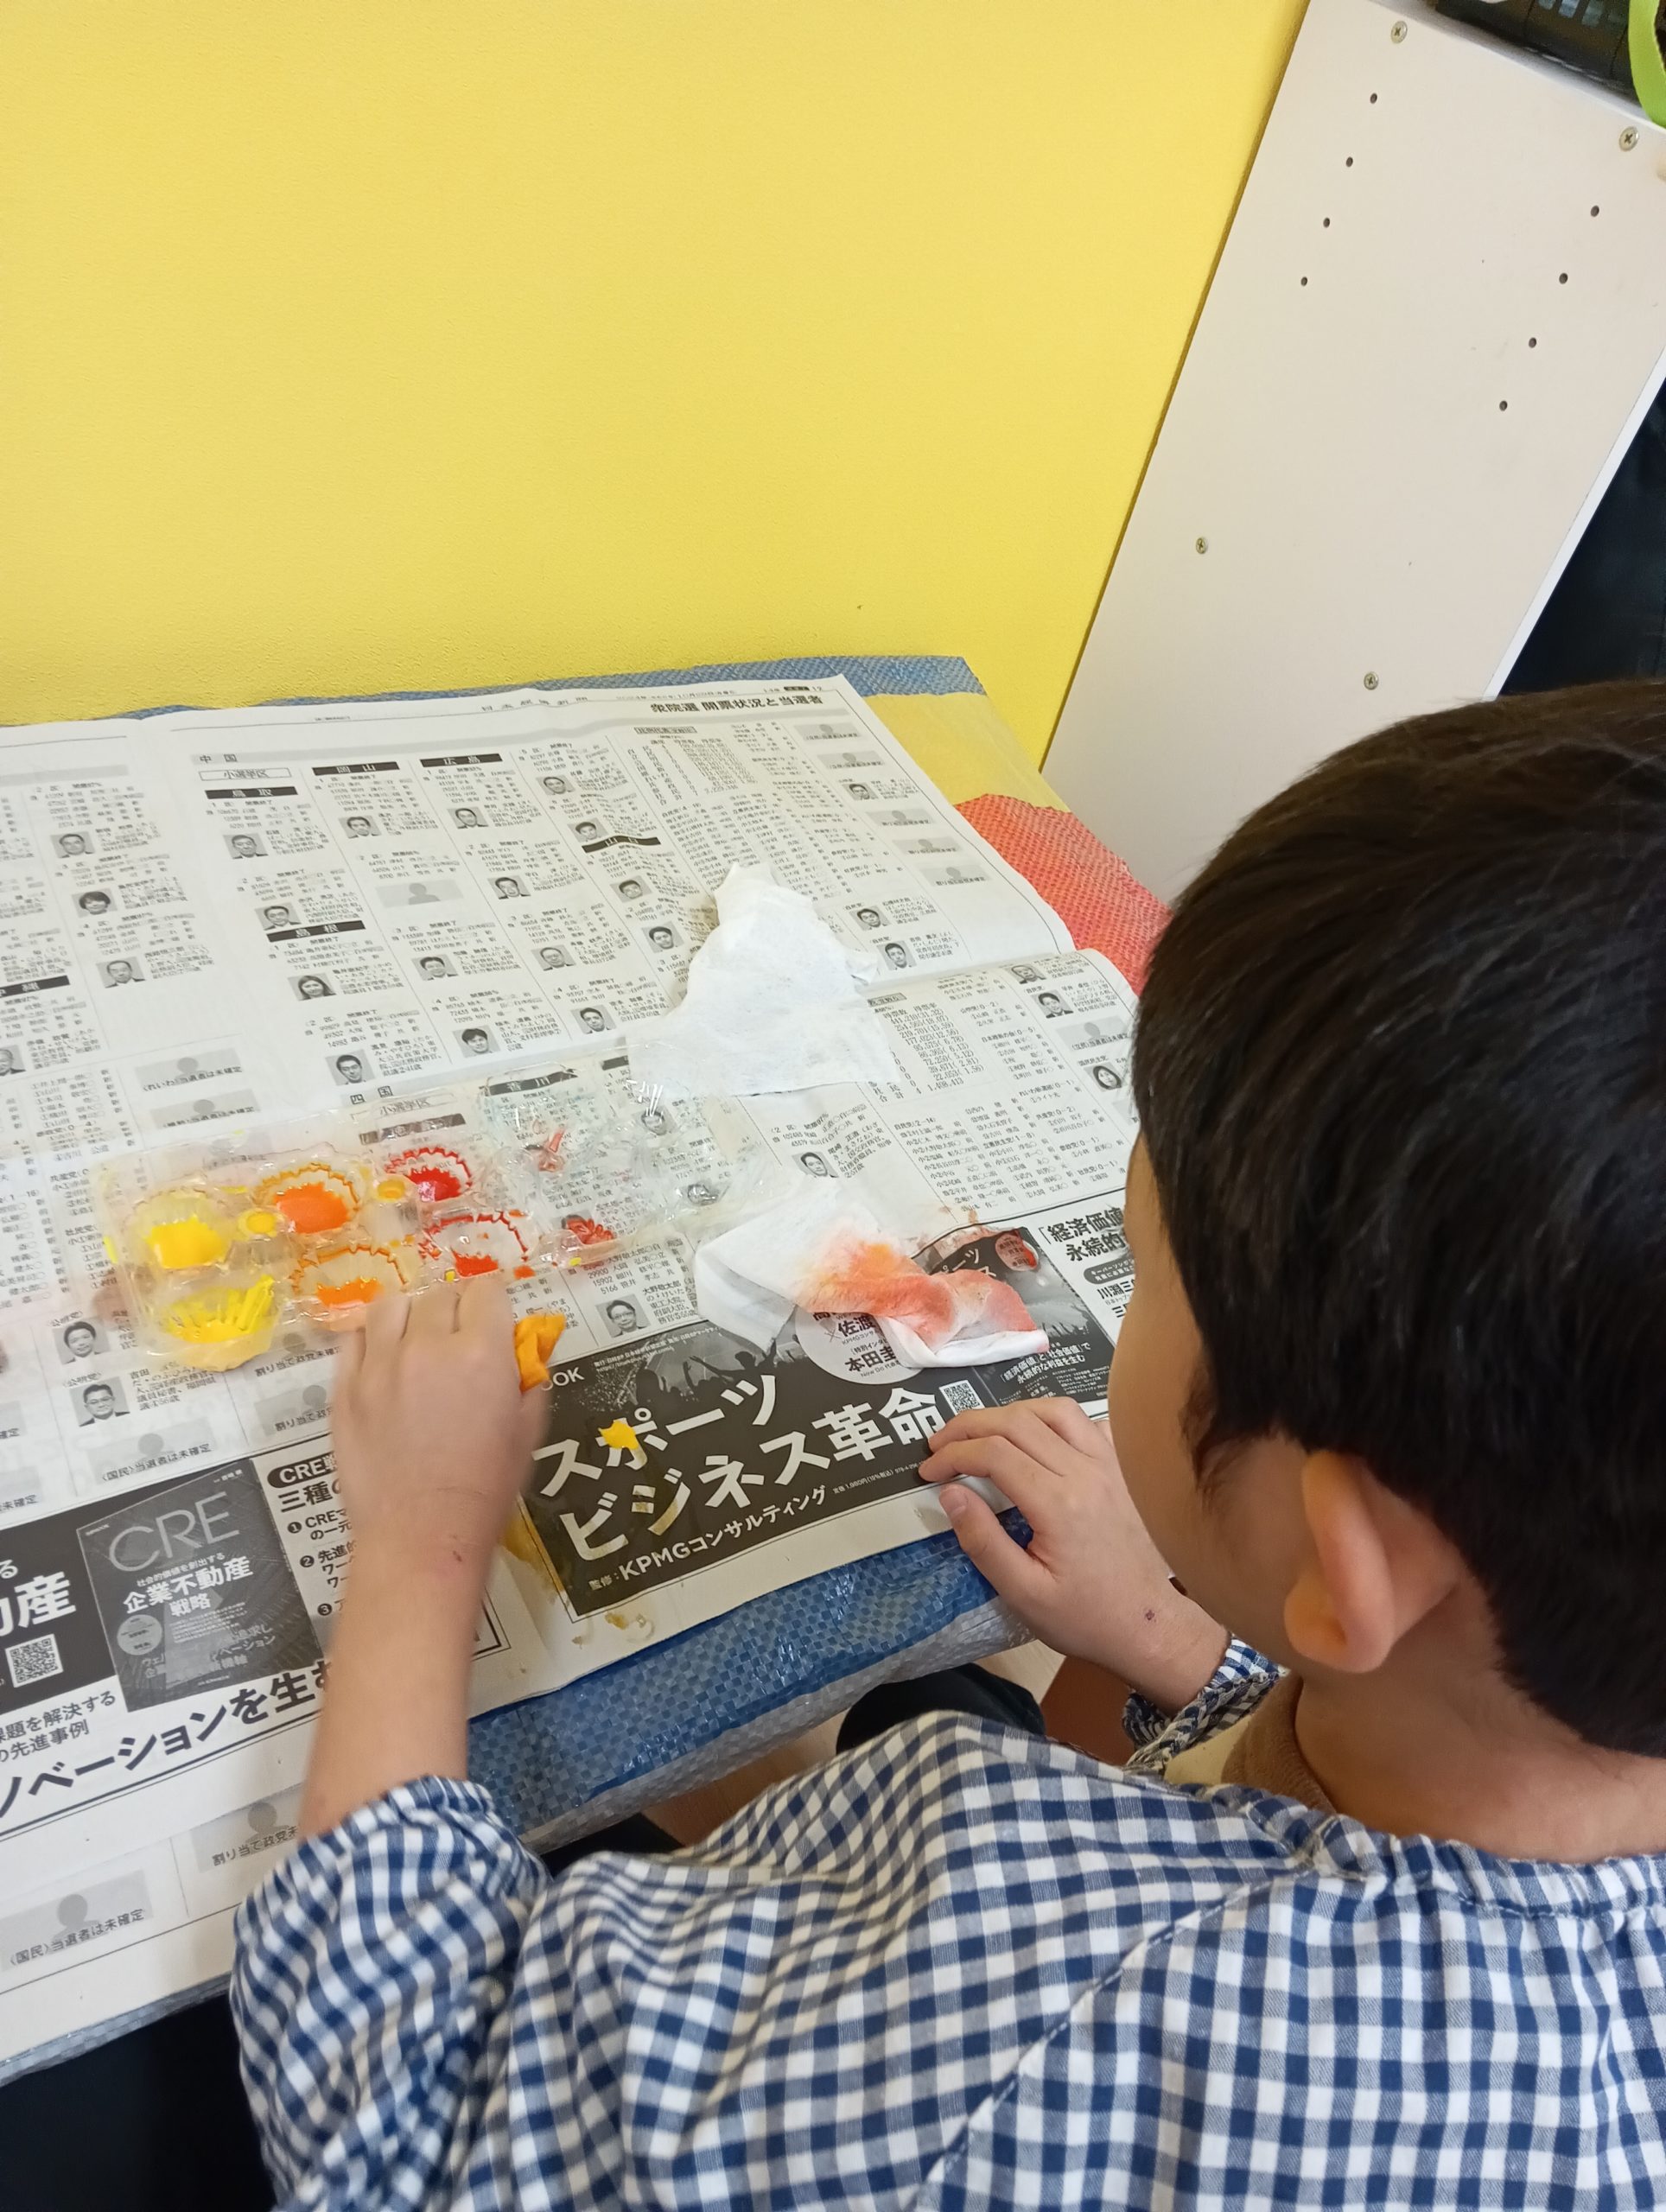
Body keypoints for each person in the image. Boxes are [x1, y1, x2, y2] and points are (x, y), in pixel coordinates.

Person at [230, 689, 1666, 2206]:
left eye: (1144, 1268)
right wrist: (1193, 1650)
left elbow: (404, 2106)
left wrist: (423, 1533)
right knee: (938, 1690)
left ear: (1337, 1558)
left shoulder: (1013, 1943)